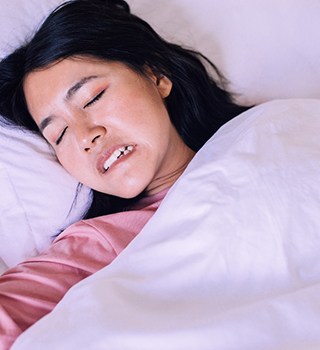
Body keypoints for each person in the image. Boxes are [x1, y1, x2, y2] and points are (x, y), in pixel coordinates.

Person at [0, 0, 250, 347]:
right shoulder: (100, 242)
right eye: (58, 134)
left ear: (156, 75)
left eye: (91, 98)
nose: (86, 135)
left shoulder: (271, 131)